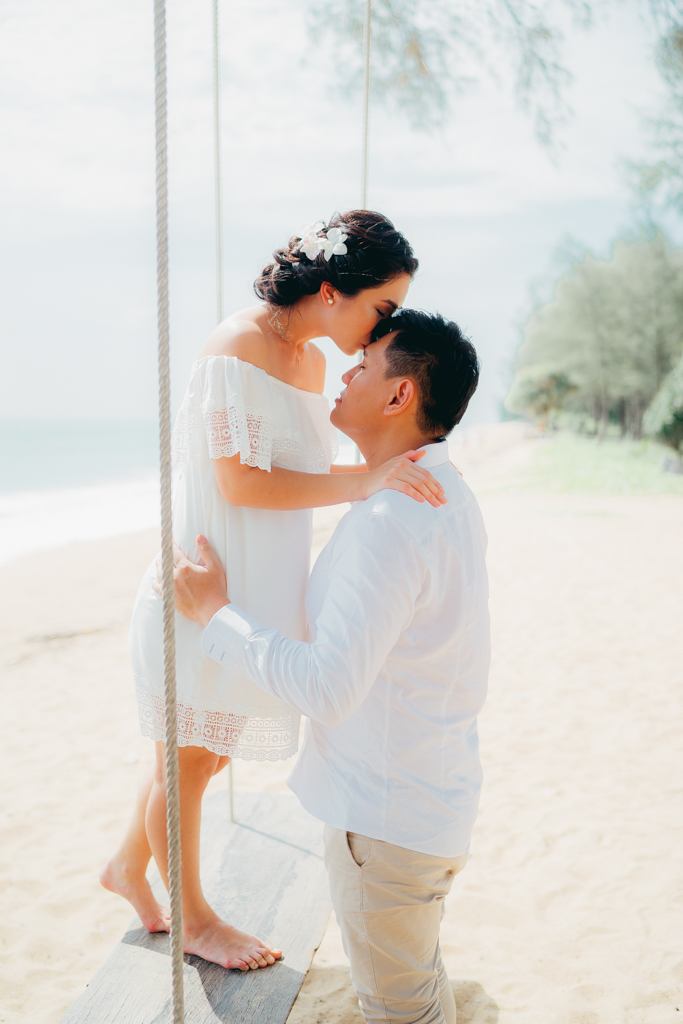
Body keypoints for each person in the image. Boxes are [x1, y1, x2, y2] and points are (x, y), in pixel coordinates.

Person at [100, 212, 447, 973]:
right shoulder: (237, 345)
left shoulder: (312, 366)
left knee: (205, 753)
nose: (380, 329)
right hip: (203, 583)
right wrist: (367, 480)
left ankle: (128, 866)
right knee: (188, 758)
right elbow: (238, 481)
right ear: (331, 291)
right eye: (379, 310)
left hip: (251, 592)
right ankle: (194, 919)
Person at [171, 309, 490, 1024]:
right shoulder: (445, 493)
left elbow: (328, 688)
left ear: (399, 396)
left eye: (364, 364)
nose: (341, 373)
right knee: (414, 979)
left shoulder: (389, 523)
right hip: (426, 799)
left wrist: (214, 613)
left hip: (385, 827)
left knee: (399, 1010)